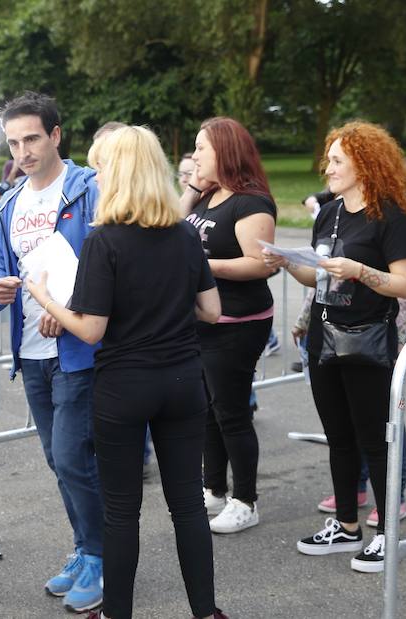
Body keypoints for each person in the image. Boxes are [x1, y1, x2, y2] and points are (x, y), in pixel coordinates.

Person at [26, 126, 227, 619]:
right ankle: (206, 610)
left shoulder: (105, 240)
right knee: (188, 505)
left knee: (122, 513)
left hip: (124, 386)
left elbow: (91, 330)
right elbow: (212, 311)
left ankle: (117, 612)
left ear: (114, 174)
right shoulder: (183, 232)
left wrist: (45, 296)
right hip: (182, 381)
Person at [263, 121, 406, 573]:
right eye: (328, 159)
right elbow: (319, 275)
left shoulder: (390, 216)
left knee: (375, 438)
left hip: (367, 338)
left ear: (364, 165)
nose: (325, 168)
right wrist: (289, 262)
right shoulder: (328, 213)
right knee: (339, 436)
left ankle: (386, 533)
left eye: (336, 161)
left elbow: (403, 283)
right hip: (323, 338)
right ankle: (346, 525)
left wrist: (360, 271)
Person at [0, 91, 104, 613]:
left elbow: (107, 262)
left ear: (56, 135)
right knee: (58, 459)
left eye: (31, 138)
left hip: (77, 347)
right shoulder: (9, 201)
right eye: (13, 143)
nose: (23, 151)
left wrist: (72, 302)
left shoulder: (89, 189)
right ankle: (85, 549)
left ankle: (101, 557)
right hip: (30, 350)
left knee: (75, 458)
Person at [180, 117, 277, 533]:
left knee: (232, 413)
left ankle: (246, 500)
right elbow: (172, 226)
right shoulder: (209, 196)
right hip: (204, 319)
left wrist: (198, 266)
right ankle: (213, 487)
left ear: (226, 152)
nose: (195, 155)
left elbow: (259, 265)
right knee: (207, 410)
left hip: (239, 321)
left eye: (202, 148)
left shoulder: (251, 202)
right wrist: (192, 188)